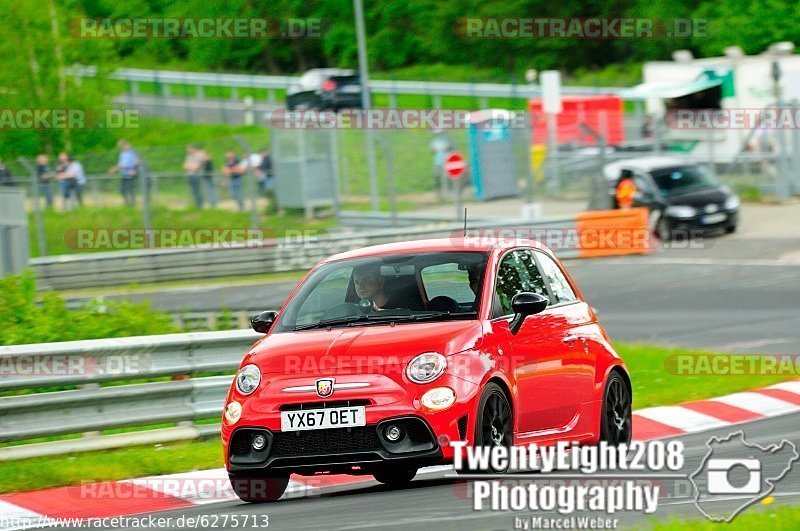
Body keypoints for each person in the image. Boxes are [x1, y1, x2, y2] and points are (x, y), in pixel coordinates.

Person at [110, 139, 139, 207]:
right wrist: (117, 168)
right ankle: (127, 203)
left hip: (130, 174)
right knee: (122, 190)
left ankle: (133, 204)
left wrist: (115, 168)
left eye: (122, 146)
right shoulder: (122, 154)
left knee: (130, 189)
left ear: (126, 145)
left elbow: (134, 163)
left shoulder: (132, 152)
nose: (121, 148)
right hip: (124, 174)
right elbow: (121, 164)